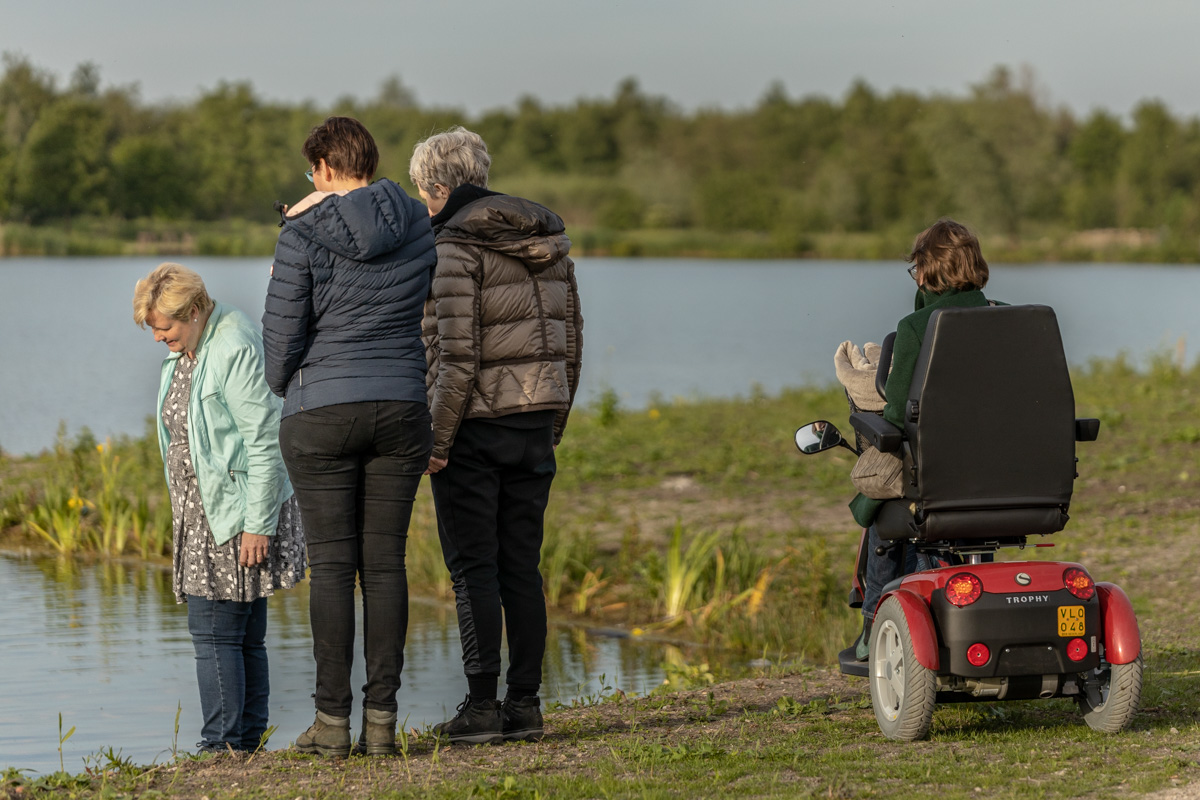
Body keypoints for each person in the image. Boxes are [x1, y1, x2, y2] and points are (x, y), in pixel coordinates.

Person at [262, 116, 436, 758]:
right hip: (401, 405)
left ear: (326, 168)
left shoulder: (300, 231)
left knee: (334, 568)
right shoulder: (419, 223)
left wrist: (290, 385)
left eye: (312, 171)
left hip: (323, 410)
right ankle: (383, 725)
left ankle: (332, 726)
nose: (309, 181)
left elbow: (280, 338)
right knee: (386, 563)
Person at [408, 126, 582, 744]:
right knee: (521, 567)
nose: (423, 208)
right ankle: (526, 705)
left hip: (475, 427)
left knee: (473, 569)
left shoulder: (453, 248)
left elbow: (453, 358)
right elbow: (570, 344)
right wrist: (553, 421)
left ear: (439, 186)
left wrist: (435, 442)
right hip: (536, 422)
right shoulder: (550, 243)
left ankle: (482, 707)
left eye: (423, 196)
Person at [133, 262, 305, 754]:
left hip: (233, 515)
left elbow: (265, 440)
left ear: (193, 310)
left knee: (214, 632)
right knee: (240, 634)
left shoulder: (232, 345)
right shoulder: (193, 344)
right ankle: (244, 744)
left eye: (162, 326)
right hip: (204, 510)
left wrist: (258, 524)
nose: (156, 336)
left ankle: (222, 748)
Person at [844, 218, 995, 660]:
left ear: (927, 272)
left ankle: (873, 623)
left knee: (880, 511)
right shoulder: (1010, 318)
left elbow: (894, 414)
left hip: (936, 481)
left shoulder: (915, 328)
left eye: (916, 270)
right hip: (1009, 480)